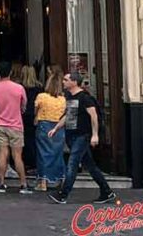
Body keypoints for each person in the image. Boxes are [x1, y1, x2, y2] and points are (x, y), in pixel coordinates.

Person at [48, 72, 114, 205]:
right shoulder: (70, 97)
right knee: (90, 166)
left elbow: (93, 116)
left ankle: (63, 194)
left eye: (66, 80)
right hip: (72, 135)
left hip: (82, 135)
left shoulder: (85, 98)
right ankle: (106, 191)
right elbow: (68, 115)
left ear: (74, 82)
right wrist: (56, 128)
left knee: (72, 163)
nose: (63, 82)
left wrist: (95, 134)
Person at [0, 61, 31, 195]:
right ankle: (23, 184)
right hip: (15, 124)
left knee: (2, 153)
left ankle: (1, 183)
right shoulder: (18, 88)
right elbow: (24, 105)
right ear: (11, 72)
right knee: (17, 155)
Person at [34, 68, 67, 193]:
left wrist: (36, 119)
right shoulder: (63, 99)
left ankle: (43, 181)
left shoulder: (41, 96)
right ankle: (62, 179)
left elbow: (36, 110)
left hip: (44, 124)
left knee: (43, 153)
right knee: (58, 153)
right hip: (58, 126)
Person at [19, 65, 43, 172]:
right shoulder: (40, 88)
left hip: (22, 116)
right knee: (34, 140)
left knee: (22, 140)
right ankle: (34, 162)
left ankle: (24, 161)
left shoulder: (19, 87)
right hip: (35, 116)